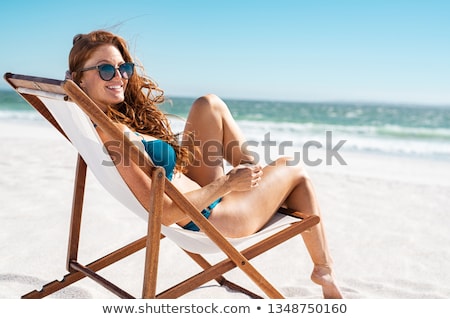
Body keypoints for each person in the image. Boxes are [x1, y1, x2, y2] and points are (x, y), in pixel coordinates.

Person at [67, 30, 343, 299]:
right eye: (106, 70)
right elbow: (162, 214)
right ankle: (324, 268)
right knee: (294, 168)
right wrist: (227, 183)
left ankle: (254, 179)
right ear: (80, 79)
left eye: (123, 68)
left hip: (198, 193)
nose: (119, 77)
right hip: (211, 218)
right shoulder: (110, 137)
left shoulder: (100, 120)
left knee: (209, 104)